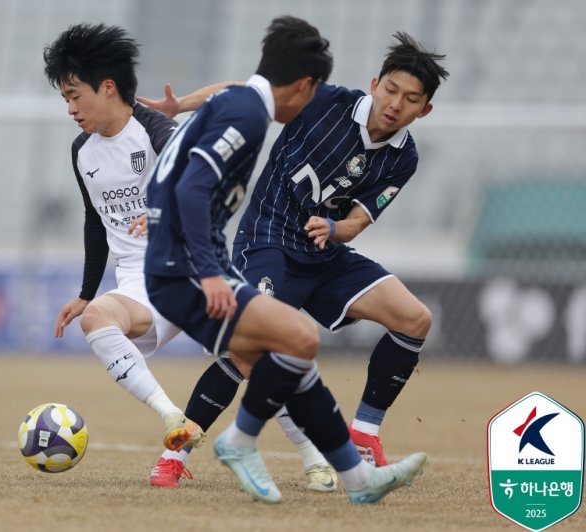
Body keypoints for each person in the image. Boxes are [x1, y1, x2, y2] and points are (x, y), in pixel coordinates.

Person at [141, 31, 449, 482]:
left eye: (410, 99)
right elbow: (243, 93)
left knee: (414, 319)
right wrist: (181, 105)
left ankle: (364, 433)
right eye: (390, 89)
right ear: (374, 83)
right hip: (269, 242)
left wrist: (334, 229)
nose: (396, 103)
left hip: (325, 253)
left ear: (425, 110)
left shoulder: (403, 158)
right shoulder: (327, 102)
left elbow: (358, 221)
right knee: (249, 352)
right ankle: (175, 456)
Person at [44, 23, 205, 457]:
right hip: (139, 282)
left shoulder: (158, 131)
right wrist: (84, 293)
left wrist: (165, 213)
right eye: (65, 99)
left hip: (195, 272)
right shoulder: (83, 151)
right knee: (96, 317)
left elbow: (195, 184)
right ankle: (172, 417)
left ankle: (317, 456)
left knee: (260, 353)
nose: (70, 109)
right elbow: (94, 220)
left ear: (108, 87)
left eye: (75, 95)